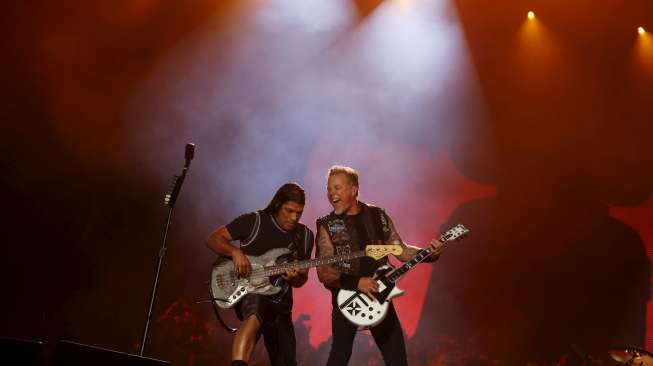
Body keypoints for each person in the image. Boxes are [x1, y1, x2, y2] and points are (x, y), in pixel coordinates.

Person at [316, 165, 442, 366]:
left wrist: (429, 253)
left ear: (353, 189)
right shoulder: (326, 224)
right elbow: (323, 272)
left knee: (397, 359)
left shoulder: (378, 215)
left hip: (380, 296)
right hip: (346, 299)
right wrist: (357, 283)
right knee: (339, 357)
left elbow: (400, 251)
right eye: (329, 189)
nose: (332, 194)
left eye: (337, 188)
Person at [207, 182, 314, 366]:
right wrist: (235, 252)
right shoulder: (254, 221)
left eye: (299, 212)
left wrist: (296, 277)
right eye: (289, 211)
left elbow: (301, 279)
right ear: (277, 205)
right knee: (255, 311)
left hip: (280, 304)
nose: (294, 217)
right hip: (250, 292)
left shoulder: (305, 235)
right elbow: (213, 239)